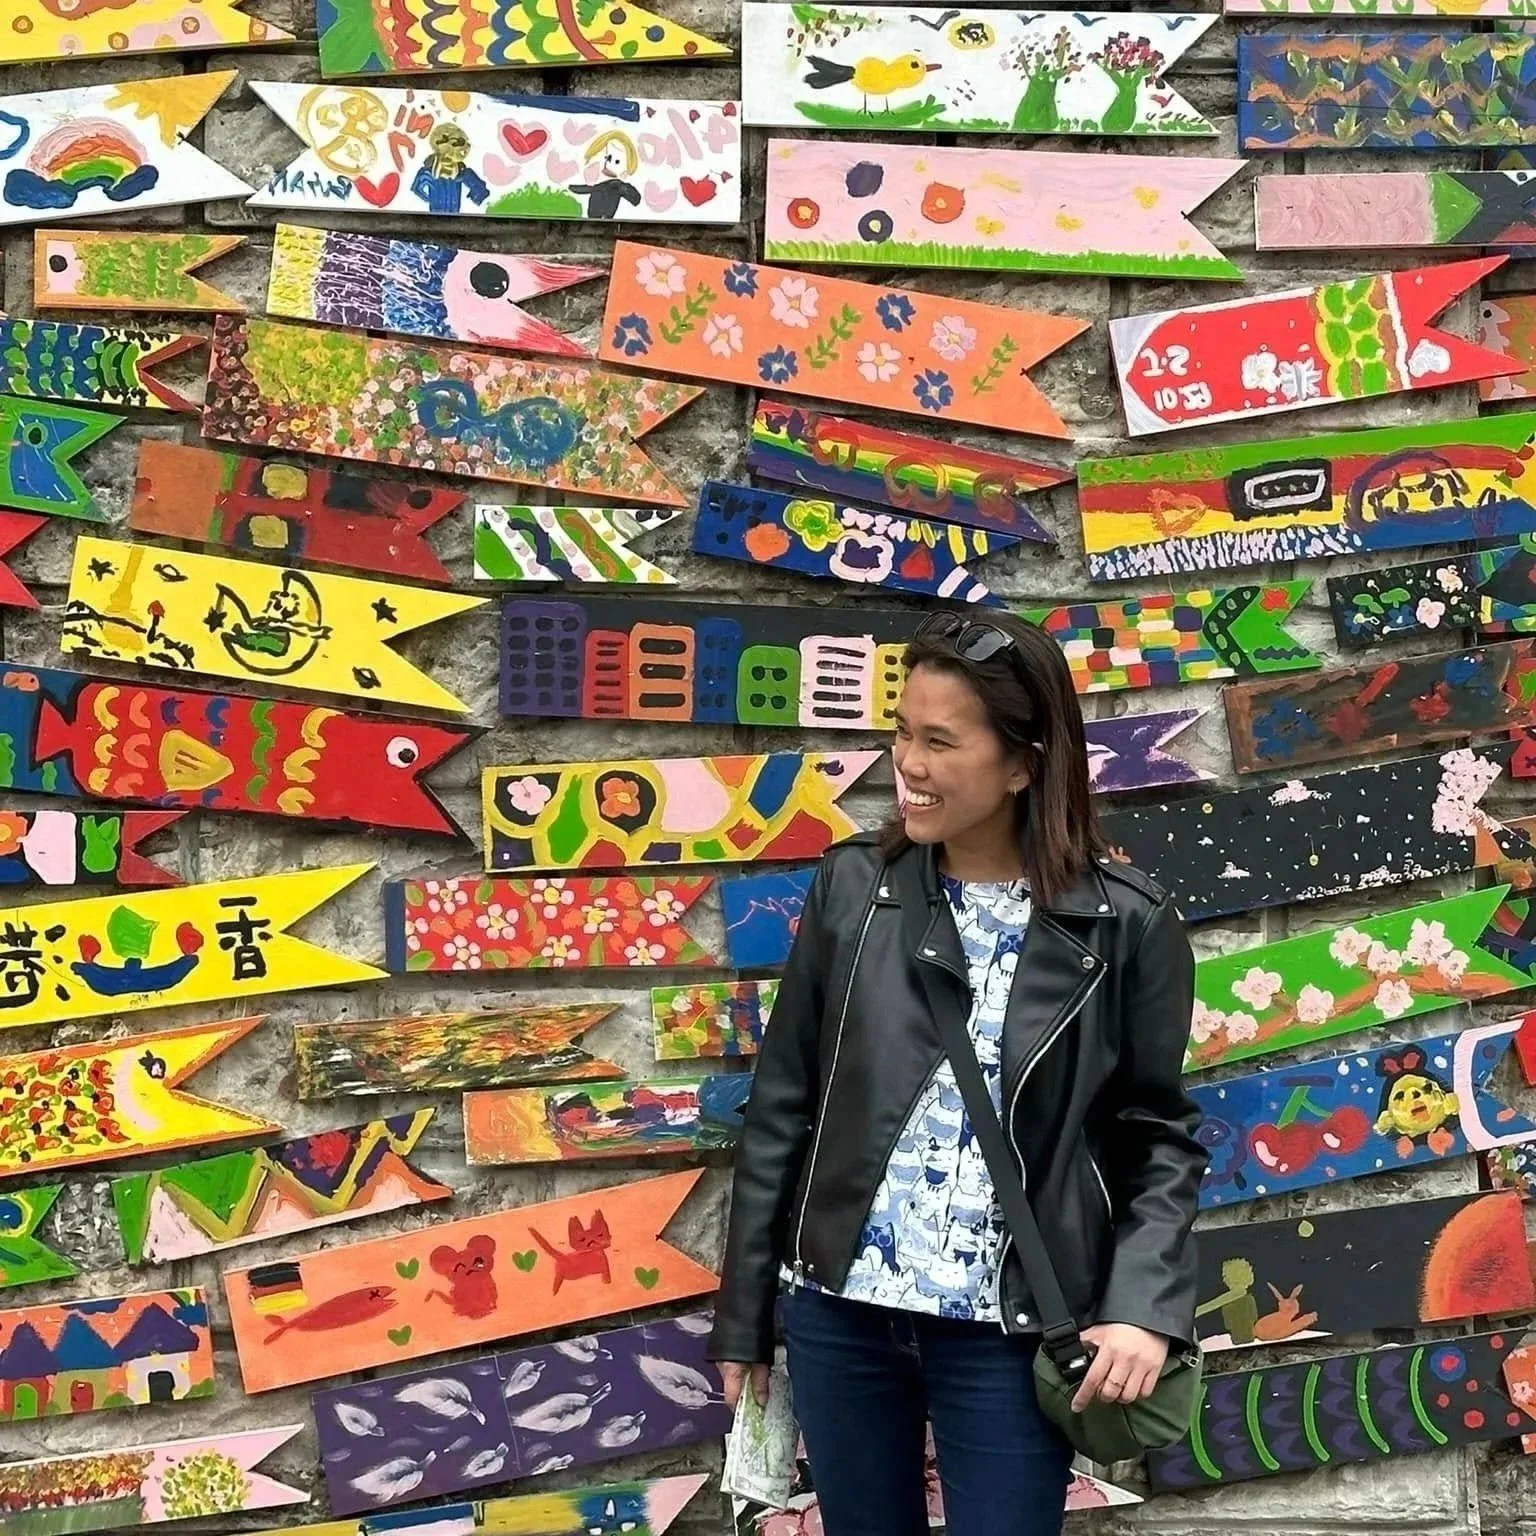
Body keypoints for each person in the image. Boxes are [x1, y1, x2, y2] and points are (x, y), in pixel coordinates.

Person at [707, 610, 1205, 1536]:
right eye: (902, 732)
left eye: (940, 740)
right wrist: (746, 1318)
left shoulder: (1124, 925)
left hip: (1010, 1328)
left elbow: (1157, 1137)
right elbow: (781, 1104)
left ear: (1025, 761)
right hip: (839, 1314)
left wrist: (1142, 1308)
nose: (910, 764)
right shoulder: (855, 885)